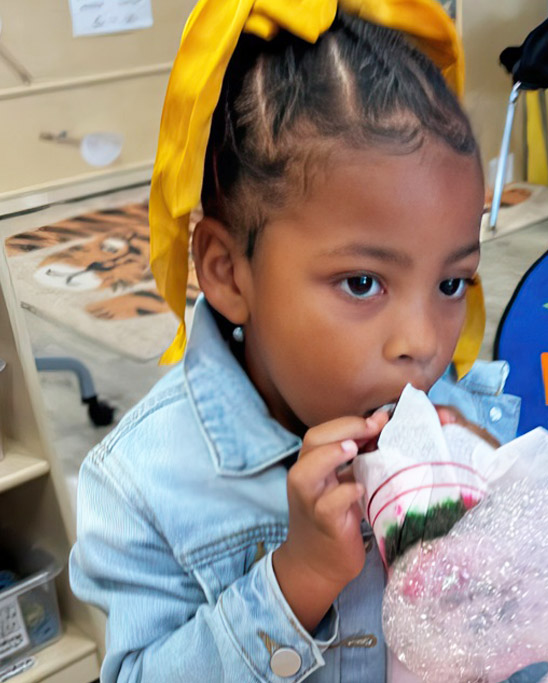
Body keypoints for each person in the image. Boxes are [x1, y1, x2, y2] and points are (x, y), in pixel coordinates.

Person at [69, 2, 521, 681]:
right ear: (227, 272)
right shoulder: (142, 483)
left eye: (453, 283)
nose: (424, 344)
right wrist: (295, 580)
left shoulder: (464, 419)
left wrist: (505, 516)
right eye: (363, 282)